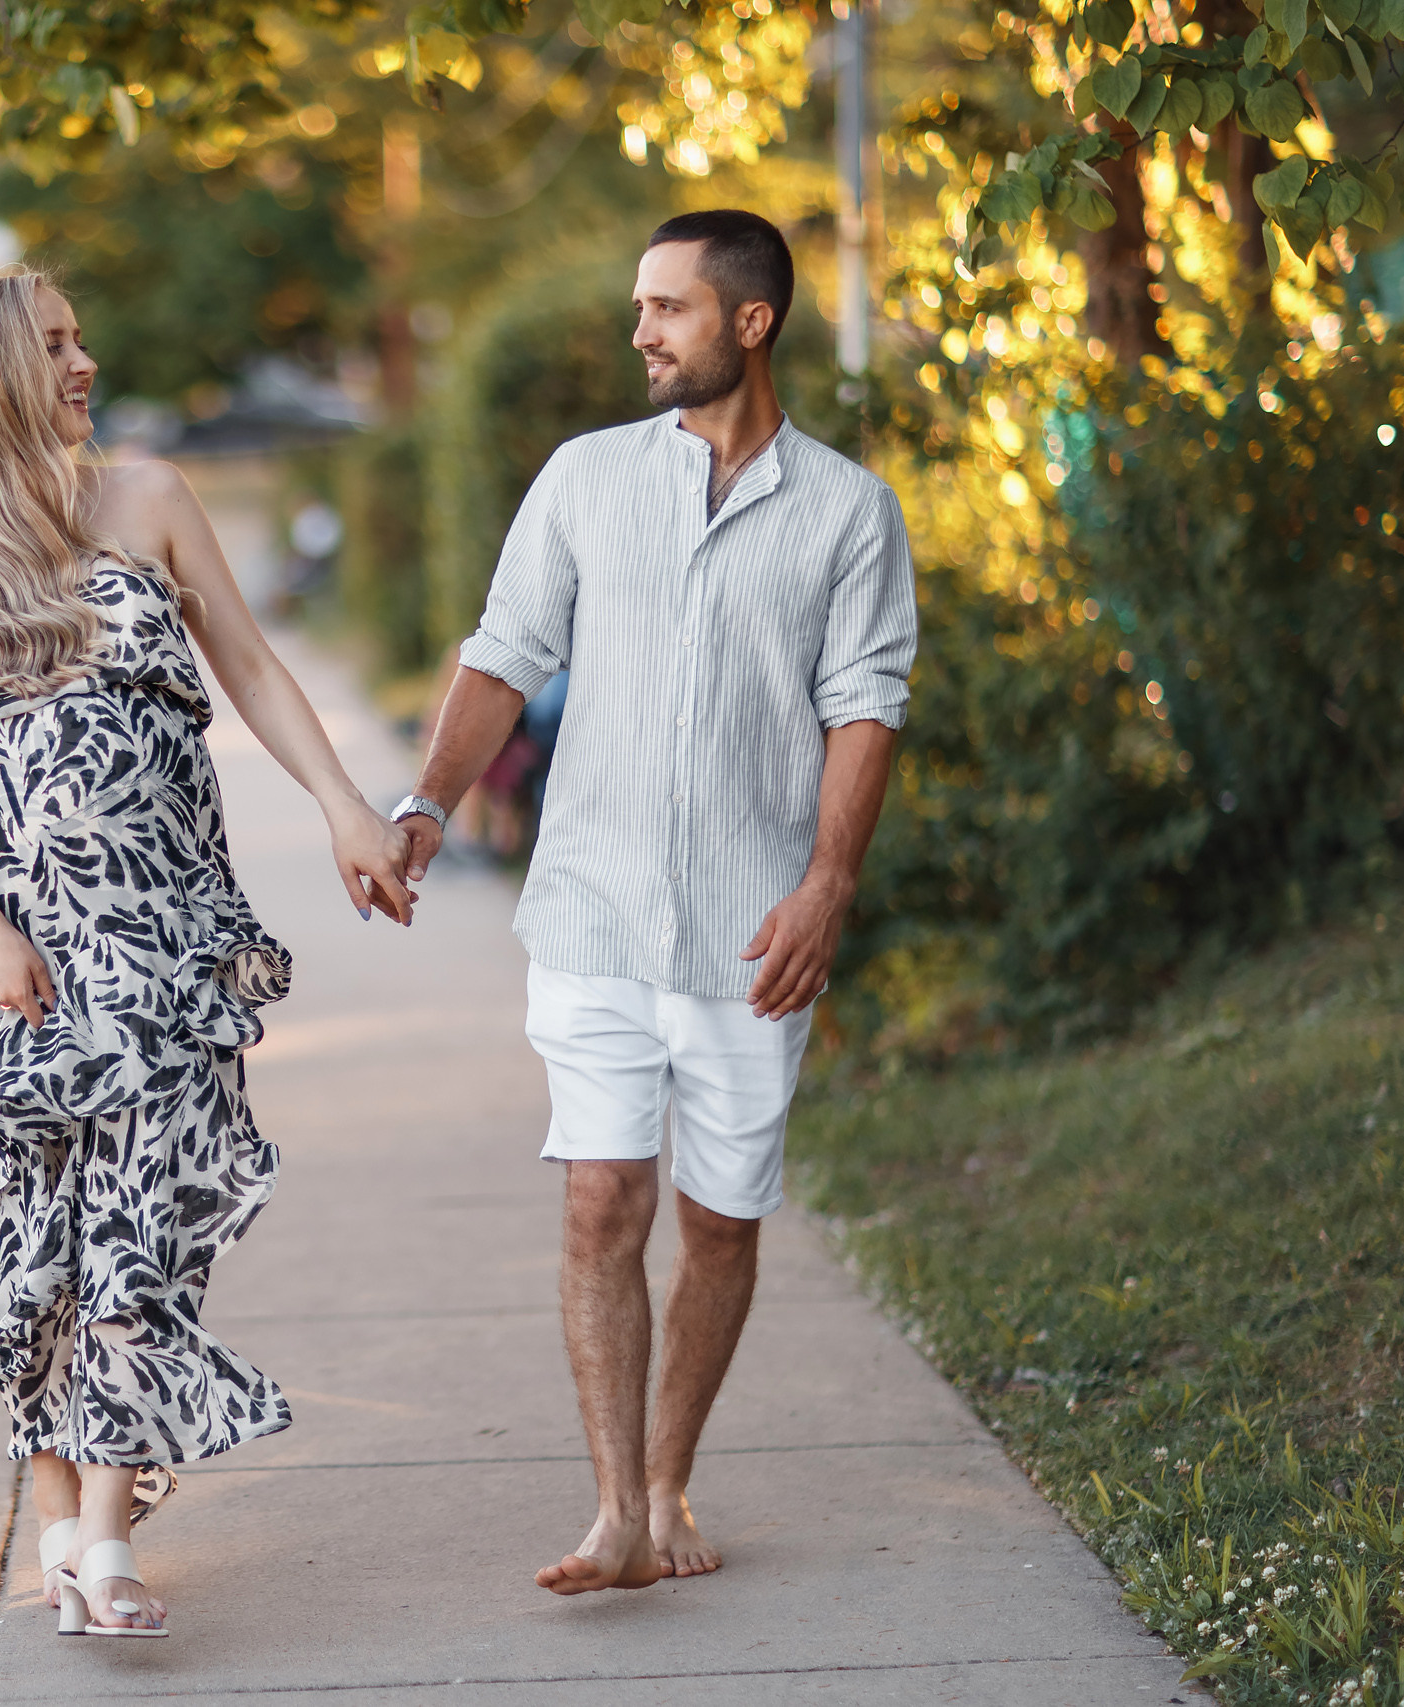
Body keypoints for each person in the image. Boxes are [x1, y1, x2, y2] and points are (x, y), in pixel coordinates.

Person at [0, 265, 414, 1637]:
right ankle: (60, 1520)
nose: (85, 360)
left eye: (80, 338)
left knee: (143, 1231)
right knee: (30, 1242)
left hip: (168, 942)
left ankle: (106, 1538)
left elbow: (252, 662)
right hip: (18, 965)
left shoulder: (152, 499)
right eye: (56, 344)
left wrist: (346, 805)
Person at [386, 210, 917, 1595]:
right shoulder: (583, 479)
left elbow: (863, 708)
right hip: (594, 912)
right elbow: (504, 654)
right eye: (638, 306)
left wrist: (827, 885)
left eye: (667, 308)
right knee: (601, 1202)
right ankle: (618, 1512)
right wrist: (426, 806)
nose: (639, 332)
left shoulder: (850, 511)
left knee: (721, 1222)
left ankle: (674, 1474)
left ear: (750, 320)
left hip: (755, 930)